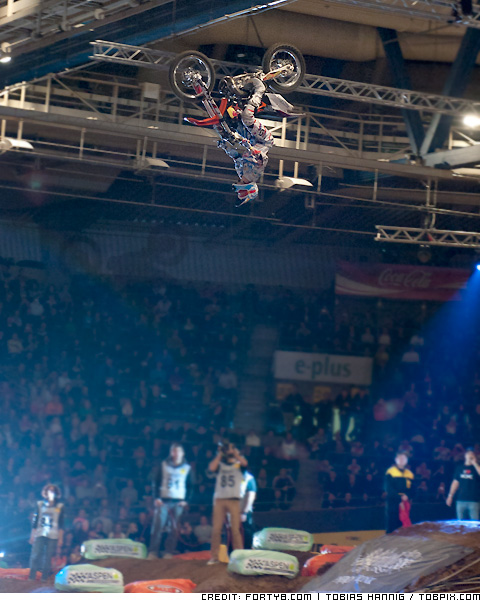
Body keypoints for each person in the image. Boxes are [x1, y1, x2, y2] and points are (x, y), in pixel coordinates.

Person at [218, 77, 274, 207]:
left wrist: (225, 147)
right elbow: (262, 159)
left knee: (230, 124)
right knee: (247, 118)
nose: (238, 186)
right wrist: (251, 149)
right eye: (241, 191)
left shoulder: (241, 173)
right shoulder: (254, 174)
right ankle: (260, 90)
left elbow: (236, 157)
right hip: (264, 140)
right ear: (248, 188)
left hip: (249, 139)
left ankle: (235, 95)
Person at [148, 443, 192, 559]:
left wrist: (186, 500)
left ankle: (169, 551)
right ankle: (153, 551)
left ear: (182, 453)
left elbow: (192, 485)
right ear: (171, 452)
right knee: (158, 525)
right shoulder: (163, 465)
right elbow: (155, 481)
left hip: (178, 502)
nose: (176, 454)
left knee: (174, 528)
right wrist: (156, 497)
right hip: (163, 500)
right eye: (174, 451)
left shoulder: (187, 467)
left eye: (178, 451)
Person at [207, 439, 247, 565]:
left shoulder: (239, 463)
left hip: (234, 500)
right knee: (216, 529)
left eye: (230, 448)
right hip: (220, 499)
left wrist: (236, 454)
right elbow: (211, 468)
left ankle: (239, 556)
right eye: (227, 448)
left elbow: (245, 463)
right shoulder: (220, 463)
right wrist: (219, 454)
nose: (229, 450)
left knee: (235, 529)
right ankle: (214, 556)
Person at [28, 484, 64, 582]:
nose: (51, 493)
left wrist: (61, 539)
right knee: (35, 555)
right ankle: (32, 576)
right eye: (49, 490)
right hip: (40, 533)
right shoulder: (40, 504)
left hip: (53, 534)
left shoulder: (59, 506)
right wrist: (32, 536)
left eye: (53, 491)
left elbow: (61, 524)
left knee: (48, 557)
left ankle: (44, 578)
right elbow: (35, 522)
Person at [384, 452, 414, 534]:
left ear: (407, 460)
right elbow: (388, 488)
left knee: (404, 525)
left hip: (405, 502)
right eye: (400, 458)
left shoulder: (410, 474)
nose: (402, 460)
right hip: (393, 502)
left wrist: (407, 496)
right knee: (392, 524)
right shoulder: (390, 472)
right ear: (396, 459)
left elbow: (412, 489)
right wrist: (399, 497)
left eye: (404, 458)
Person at [446, 447, 480, 520]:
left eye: (472, 453)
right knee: (461, 525)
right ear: (465, 455)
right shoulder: (459, 468)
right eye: (468, 453)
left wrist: (474, 463)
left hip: (473, 500)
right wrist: (450, 496)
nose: (470, 455)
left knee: (474, 525)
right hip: (461, 500)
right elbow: (455, 482)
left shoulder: (476, 468)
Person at [240, 470, 257, 549]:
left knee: (246, 533)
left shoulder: (249, 479)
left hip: (243, 512)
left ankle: (247, 550)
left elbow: (251, 496)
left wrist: (245, 512)